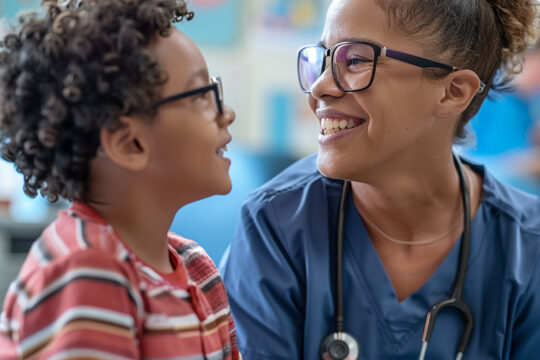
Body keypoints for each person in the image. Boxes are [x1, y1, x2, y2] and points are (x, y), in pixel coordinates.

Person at [221, 0, 540, 359]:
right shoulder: (276, 225)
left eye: (354, 61)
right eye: (323, 60)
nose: (319, 88)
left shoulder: (527, 249)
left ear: (454, 92)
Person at [0, 0, 239, 358]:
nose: (227, 114)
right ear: (130, 143)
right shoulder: (86, 272)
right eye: (203, 97)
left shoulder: (196, 266)